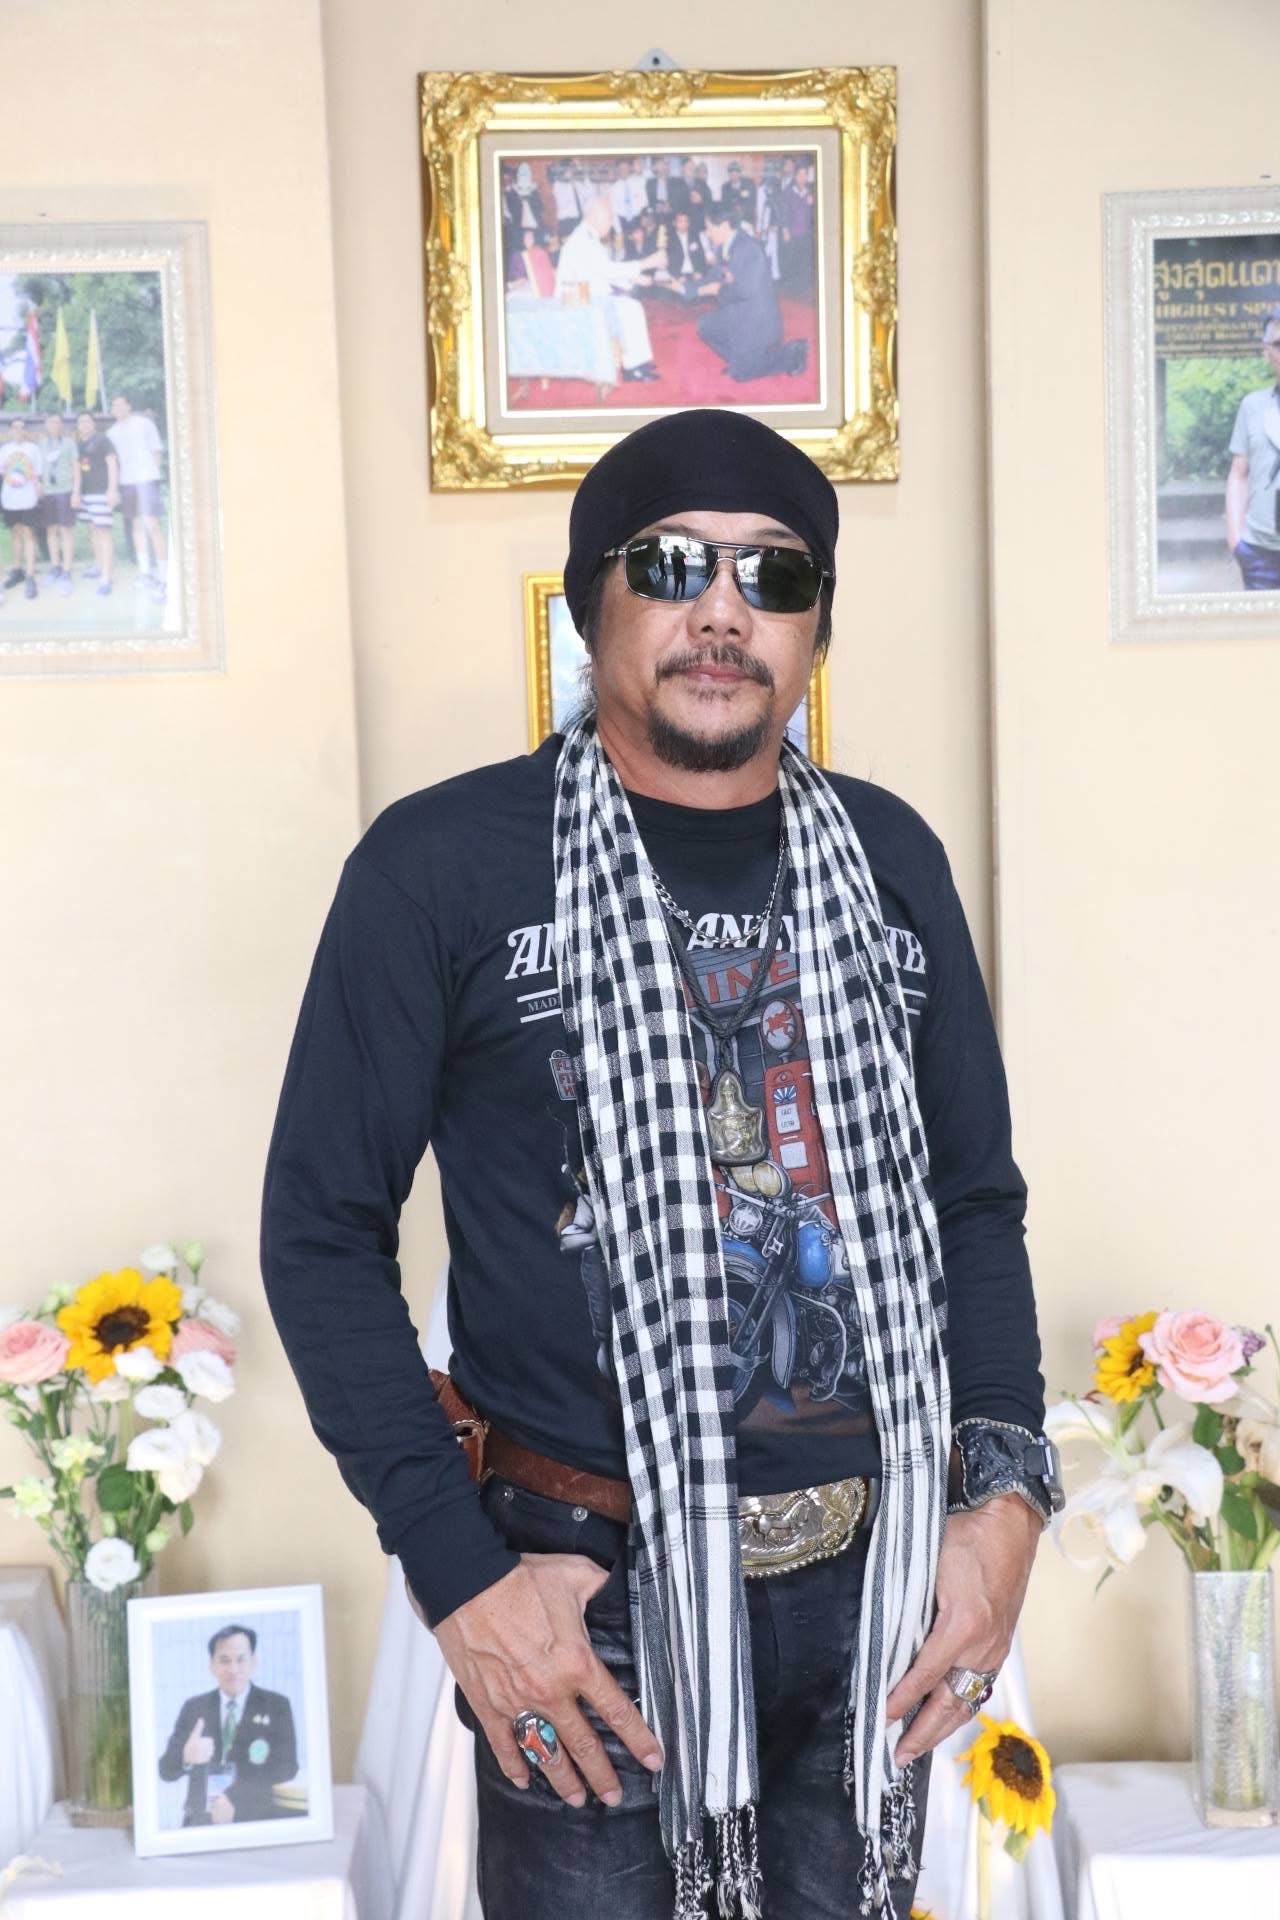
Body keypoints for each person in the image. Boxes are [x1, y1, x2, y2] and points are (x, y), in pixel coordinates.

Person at [262, 406, 1061, 1920]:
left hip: (878, 1587)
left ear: (813, 629)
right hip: (582, 1594)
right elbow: (319, 1233)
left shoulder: (890, 859)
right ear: (594, 603)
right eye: (674, 564)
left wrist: (1004, 1504)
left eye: (775, 576)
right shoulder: (442, 867)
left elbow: (973, 1201)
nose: (723, 611)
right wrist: (459, 1576)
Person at [157, 1623, 299, 1826]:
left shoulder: (277, 1705)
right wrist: (186, 1757)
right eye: (224, 1661)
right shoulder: (194, 1707)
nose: (233, 1669)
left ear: (253, 1662)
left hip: (256, 1819)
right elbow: (165, 1771)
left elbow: (287, 1767)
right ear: (212, 1666)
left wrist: (234, 1797)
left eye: (241, 1660)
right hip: (200, 1821)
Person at [555, 196, 665, 383]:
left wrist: (633, 278)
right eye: (609, 218)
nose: (611, 223)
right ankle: (632, 368)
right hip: (576, 301)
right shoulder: (582, 240)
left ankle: (637, 362)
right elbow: (607, 270)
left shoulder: (587, 236)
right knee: (628, 309)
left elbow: (601, 271)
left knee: (631, 305)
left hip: (586, 295)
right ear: (595, 216)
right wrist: (646, 263)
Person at [697, 205, 805, 382]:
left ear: (724, 226)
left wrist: (718, 289)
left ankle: (794, 352)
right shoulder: (723, 247)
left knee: (743, 375)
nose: (707, 234)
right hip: (739, 314)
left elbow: (744, 290)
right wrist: (687, 288)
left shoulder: (749, 249)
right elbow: (712, 276)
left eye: (709, 228)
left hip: (759, 322)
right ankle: (741, 361)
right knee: (705, 325)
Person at [1225, 308, 1280, 591]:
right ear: (1266, 351)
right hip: (1260, 558)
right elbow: (1239, 474)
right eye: (1278, 344)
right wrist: (1236, 539)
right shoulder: (1252, 406)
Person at [107, 394, 166, 597]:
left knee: (153, 527)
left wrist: (152, 476)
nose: (118, 408)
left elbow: (157, 451)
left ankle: (164, 578)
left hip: (147, 481)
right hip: (127, 484)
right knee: (137, 527)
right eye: (114, 405)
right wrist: (114, 488)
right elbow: (114, 464)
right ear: (112, 410)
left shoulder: (144, 423)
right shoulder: (112, 433)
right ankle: (146, 573)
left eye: (121, 404)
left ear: (129, 406)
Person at [71, 411, 118, 597]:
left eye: (87, 420)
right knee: (93, 531)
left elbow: (112, 465)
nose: (84, 424)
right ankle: (99, 566)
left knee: (103, 533)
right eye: (81, 421)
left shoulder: (102, 440)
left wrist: (112, 490)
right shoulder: (77, 444)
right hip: (85, 494)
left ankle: (107, 577)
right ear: (77, 425)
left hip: (101, 493)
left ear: (93, 423)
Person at [0, 416, 43, 601]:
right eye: (15, 427)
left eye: (21, 427)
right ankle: (17, 570)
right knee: (15, 534)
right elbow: (3, 474)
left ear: (25, 430)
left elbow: (37, 475)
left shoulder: (33, 449)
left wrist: (39, 489)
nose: (18, 430)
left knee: (28, 534)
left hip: (28, 499)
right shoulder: (4, 450)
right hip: (10, 500)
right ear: (10, 430)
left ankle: (30, 576)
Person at [39, 414, 77, 594]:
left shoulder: (69, 443)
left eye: (58, 422)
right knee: (51, 530)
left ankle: (66, 571)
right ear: (46, 425)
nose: (55, 425)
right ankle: (55, 566)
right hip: (47, 492)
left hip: (65, 491)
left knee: (65, 530)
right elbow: (37, 467)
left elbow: (76, 467)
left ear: (61, 425)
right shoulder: (41, 444)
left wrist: (76, 491)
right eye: (51, 422)